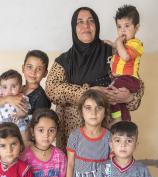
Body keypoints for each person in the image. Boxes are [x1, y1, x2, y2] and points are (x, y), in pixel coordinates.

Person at [45, 6, 145, 151]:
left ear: (97, 25)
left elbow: (137, 86)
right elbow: (51, 89)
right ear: (74, 27)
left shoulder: (114, 52)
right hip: (73, 140)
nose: (86, 26)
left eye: (90, 21)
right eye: (80, 22)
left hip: (106, 137)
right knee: (75, 172)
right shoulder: (64, 60)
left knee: (106, 171)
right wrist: (87, 93)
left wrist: (128, 98)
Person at [66, 90, 111, 177]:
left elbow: (111, 169)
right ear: (81, 111)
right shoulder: (75, 136)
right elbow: (70, 165)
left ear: (105, 112)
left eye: (99, 108)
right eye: (88, 107)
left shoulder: (108, 138)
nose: (94, 112)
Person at [105, 5, 144, 123]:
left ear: (136, 28)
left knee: (110, 92)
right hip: (123, 78)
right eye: (119, 26)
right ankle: (125, 119)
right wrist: (113, 44)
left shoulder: (136, 43)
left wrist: (117, 43)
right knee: (119, 100)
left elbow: (125, 56)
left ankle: (116, 118)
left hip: (129, 78)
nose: (122, 30)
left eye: (127, 26)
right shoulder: (125, 44)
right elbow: (121, 50)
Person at [0, 69, 31, 144]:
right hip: (2, 125)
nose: (9, 90)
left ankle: (26, 151)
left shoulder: (21, 97)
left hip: (17, 122)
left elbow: (24, 112)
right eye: (5, 87)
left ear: (20, 87)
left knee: (24, 138)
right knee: (3, 142)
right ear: (0, 87)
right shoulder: (1, 94)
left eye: (13, 86)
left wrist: (19, 115)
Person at [21, 50, 51, 120]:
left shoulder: (42, 98)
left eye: (39, 69)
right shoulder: (16, 88)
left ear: (45, 73)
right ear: (23, 68)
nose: (33, 72)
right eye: (30, 67)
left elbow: (38, 125)